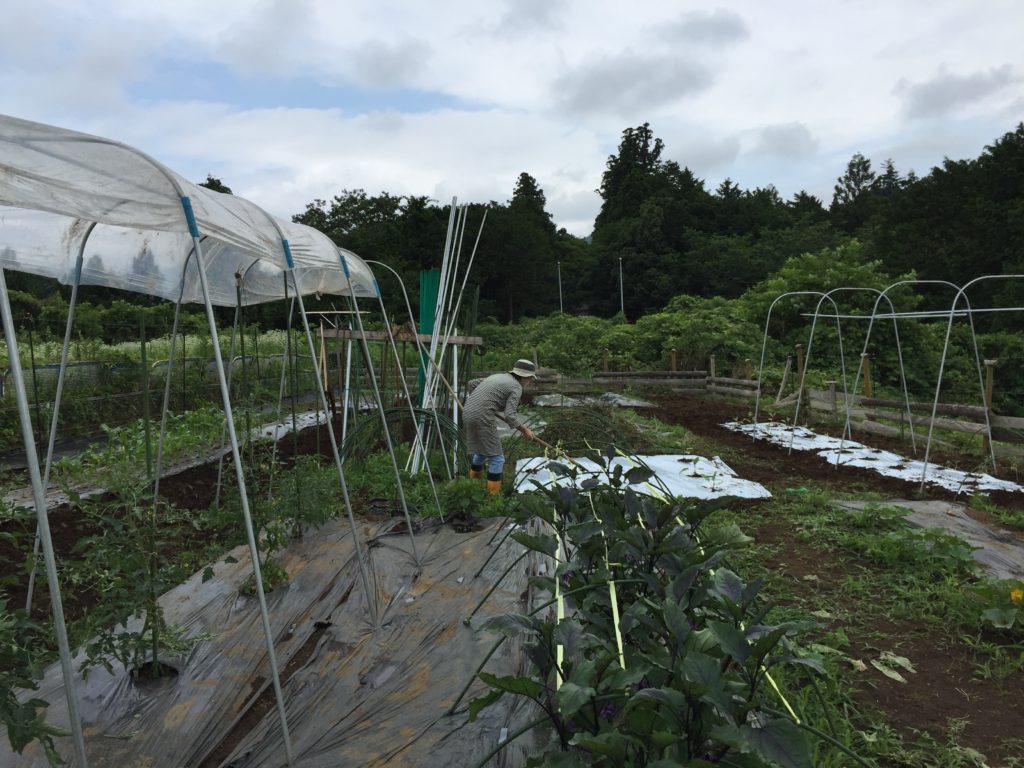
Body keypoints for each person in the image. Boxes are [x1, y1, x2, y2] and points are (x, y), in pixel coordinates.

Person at [463, 358, 537, 495]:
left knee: (480, 451)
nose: (530, 382)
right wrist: (524, 430)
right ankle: (493, 497)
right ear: (524, 377)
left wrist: (481, 401)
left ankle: (472, 487)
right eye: (530, 378)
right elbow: (510, 415)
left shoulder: (498, 376)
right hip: (482, 417)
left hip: (468, 411)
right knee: (497, 458)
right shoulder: (516, 387)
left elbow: (471, 383)